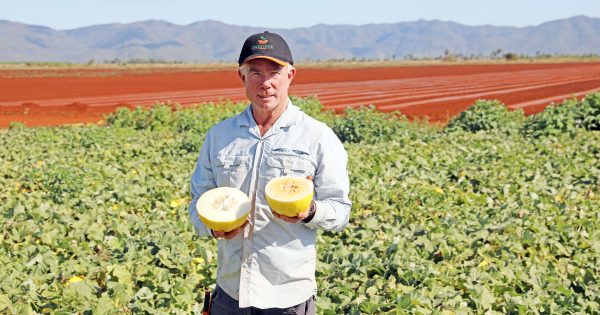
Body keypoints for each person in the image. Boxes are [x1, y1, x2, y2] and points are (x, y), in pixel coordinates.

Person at [189, 31, 351, 314]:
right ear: (241, 77)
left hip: (286, 295)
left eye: (274, 72)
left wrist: (310, 211)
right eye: (255, 72)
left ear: (291, 75)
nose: (265, 83)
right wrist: (213, 228)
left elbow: (340, 210)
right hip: (230, 292)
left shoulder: (317, 136)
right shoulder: (219, 136)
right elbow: (197, 202)